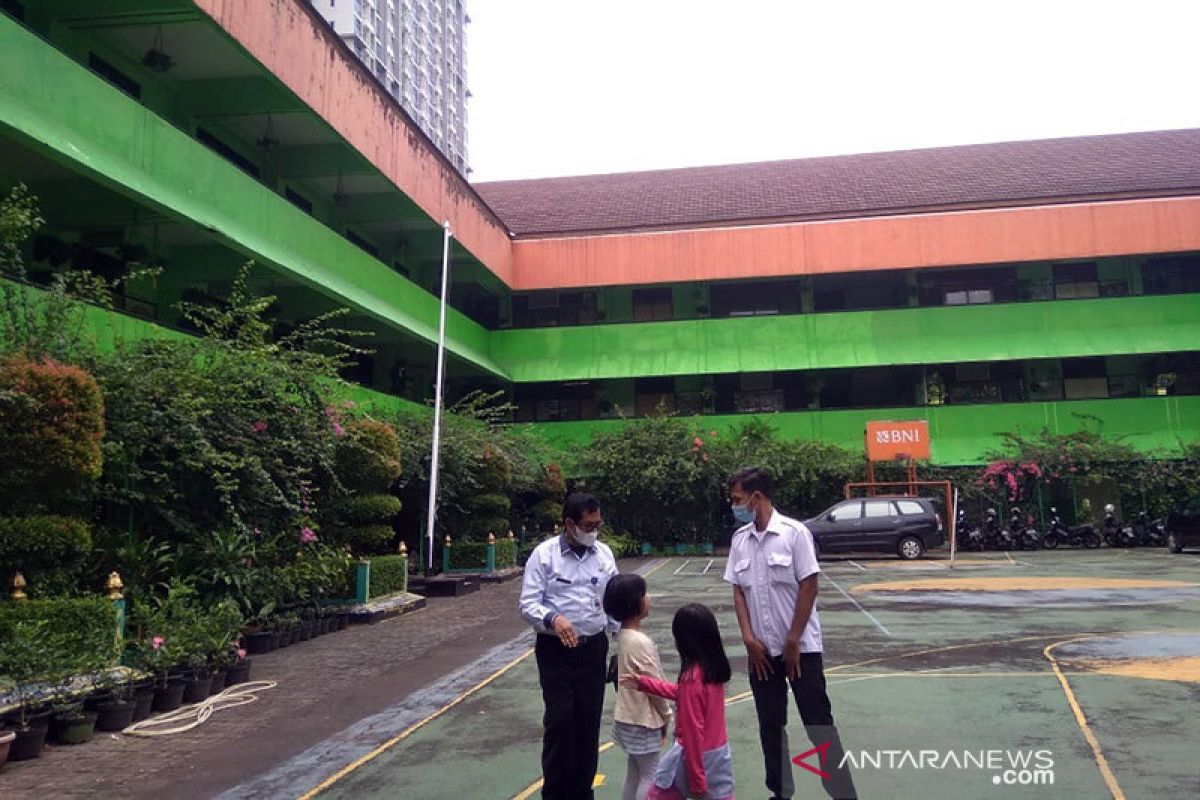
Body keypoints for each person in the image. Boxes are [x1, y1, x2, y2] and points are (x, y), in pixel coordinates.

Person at [724, 467, 857, 800]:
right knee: (770, 726)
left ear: (756, 498)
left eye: (737, 499)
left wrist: (794, 638)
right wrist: (748, 638)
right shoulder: (740, 540)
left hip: (802, 650)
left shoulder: (794, 533)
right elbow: (738, 591)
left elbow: (809, 585)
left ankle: (843, 794)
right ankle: (780, 792)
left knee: (819, 724)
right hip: (762, 653)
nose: (734, 505)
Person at [519, 492, 619, 799]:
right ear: (569, 524)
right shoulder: (545, 555)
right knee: (561, 722)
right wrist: (553, 618)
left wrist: (621, 646)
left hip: (593, 649)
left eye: (597, 524)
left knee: (588, 723)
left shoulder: (603, 555)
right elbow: (528, 603)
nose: (593, 531)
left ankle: (582, 791)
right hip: (556, 652)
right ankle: (556, 792)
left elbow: (614, 602)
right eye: (587, 525)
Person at [620, 603, 734, 800]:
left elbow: (693, 732)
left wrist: (697, 781)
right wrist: (644, 683)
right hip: (719, 755)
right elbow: (683, 694)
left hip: (693, 759)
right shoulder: (713, 672)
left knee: (656, 795)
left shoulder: (692, 678)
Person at [604, 574, 672, 800]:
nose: (648, 598)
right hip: (643, 720)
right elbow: (655, 686)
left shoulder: (623, 636)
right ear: (636, 603)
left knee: (635, 771)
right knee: (650, 774)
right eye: (644, 595)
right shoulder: (640, 642)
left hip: (626, 718)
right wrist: (666, 715)